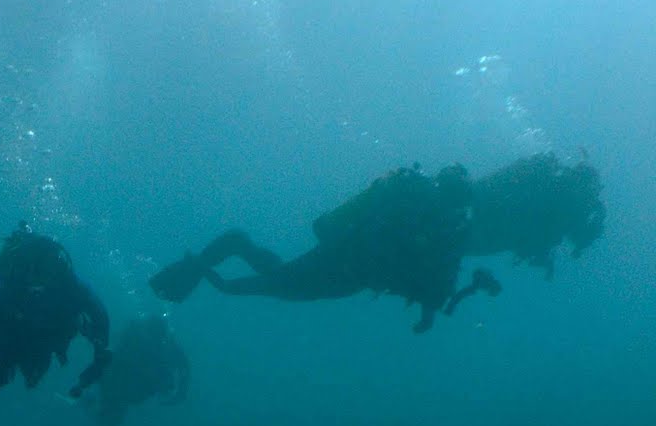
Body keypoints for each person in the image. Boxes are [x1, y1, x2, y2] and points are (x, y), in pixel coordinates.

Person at [150, 153, 602, 334]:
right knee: (278, 285)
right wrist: (428, 307)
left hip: (350, 262)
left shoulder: (439, 217)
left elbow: (438, 269)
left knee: (282, 282)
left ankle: (223, 255)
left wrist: (427, 306)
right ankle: (223, 255)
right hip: (351, 264)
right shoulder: (451, 225)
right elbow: (439, 268)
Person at [0, 224, 112, 400]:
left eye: (50, 272)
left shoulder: (70, 284)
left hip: (39, 340)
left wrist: (100, 345)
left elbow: (98, 313)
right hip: (7, 336)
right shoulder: (8, 282)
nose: (44, 281)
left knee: (30, 372)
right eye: (41, 272)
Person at [90, 313, 191, 426]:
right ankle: (95, 408)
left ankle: (94, 408)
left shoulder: (163, 345)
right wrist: (181, 392)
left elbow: (183, 367)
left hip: (125, 386)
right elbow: (184, 367)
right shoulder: (135, 336)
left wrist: (181, 392)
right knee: (109, 413)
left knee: (109, 413)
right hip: (122, 385)